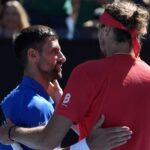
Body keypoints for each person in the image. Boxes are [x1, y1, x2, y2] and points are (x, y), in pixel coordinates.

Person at [0, 25, 133, 150]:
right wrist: (89, 146)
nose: (63, 58)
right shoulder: (37, 106)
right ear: (33, 55)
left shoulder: (16, 98)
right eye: (54, 51)